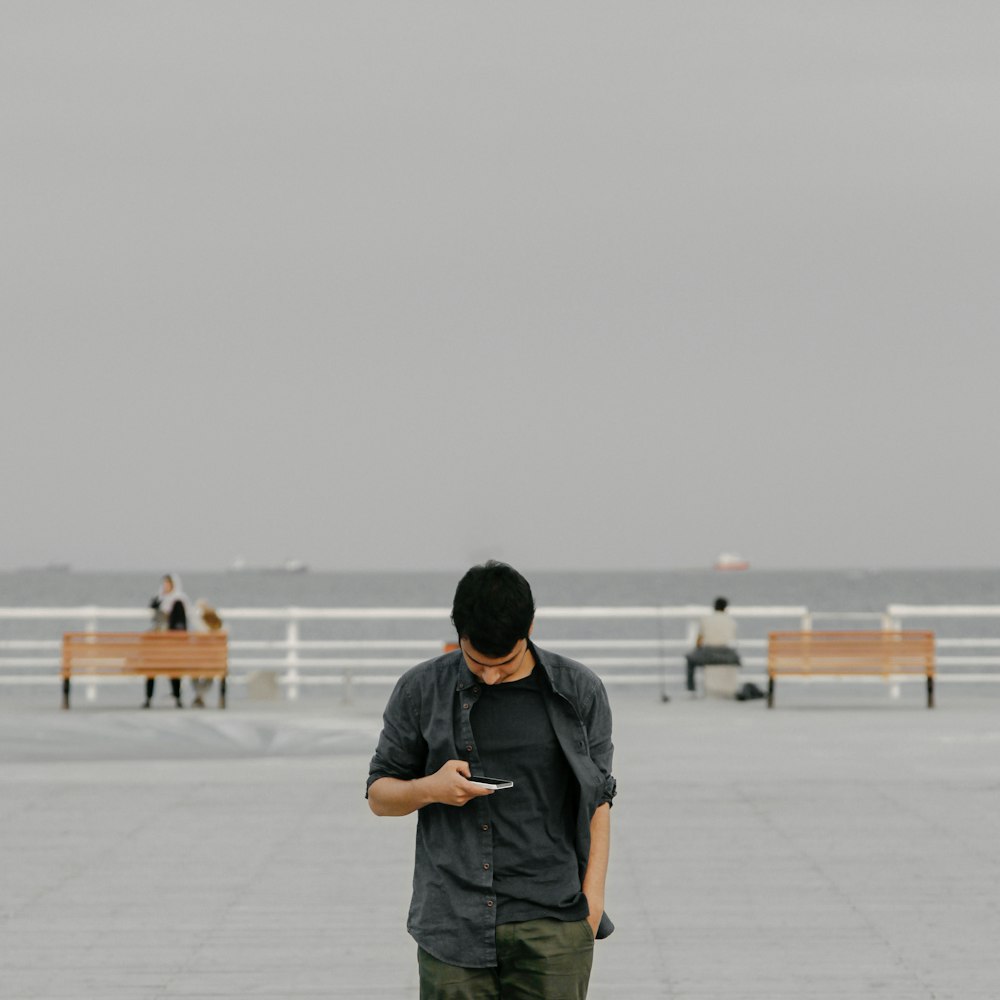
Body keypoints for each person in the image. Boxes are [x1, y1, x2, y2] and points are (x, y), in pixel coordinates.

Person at [367, 561, 616, 1000]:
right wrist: (431, 789)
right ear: (458, 632)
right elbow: (379, 797)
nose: (490, 676)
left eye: (504, 663)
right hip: (452, 922)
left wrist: (591, 905)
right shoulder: (420, 689)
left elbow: (598, 801)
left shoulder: (579, 691)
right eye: (477, 662)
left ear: (530, 629)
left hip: (554, 922)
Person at [144, 573, 187, 708]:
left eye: (167, 584)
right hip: (169, 647)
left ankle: (150, 699)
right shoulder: (164, 598)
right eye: (164, 584)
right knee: (170, 665)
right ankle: (177, 698)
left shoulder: (177, 601)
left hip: (168, 645)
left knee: (157, 665)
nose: (165, 586)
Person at [685, 596, 741, 694]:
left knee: (690, 660)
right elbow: (732, 639)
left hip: (708, 653)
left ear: (714, 607)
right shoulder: (731, 621)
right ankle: (731, 688)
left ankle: (691, 689)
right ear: (725, 607)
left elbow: (699, 641)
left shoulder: (706, 619)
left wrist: (698, 650)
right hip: (726, 655)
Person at [190, 599, 223, 708]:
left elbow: (193, 618)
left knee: (194, 672)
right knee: (210, 674)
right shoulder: (218, 632)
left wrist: (199, 607)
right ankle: (201, 695)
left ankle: (199, 695)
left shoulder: (200, 631)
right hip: (213, 663)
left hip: (198, 662)